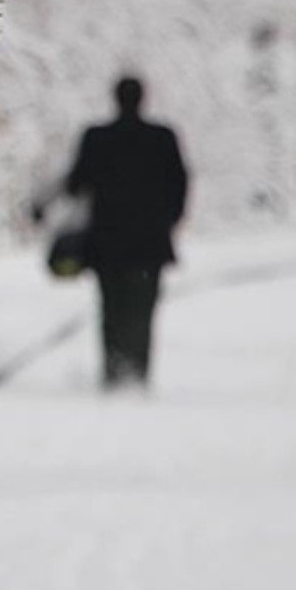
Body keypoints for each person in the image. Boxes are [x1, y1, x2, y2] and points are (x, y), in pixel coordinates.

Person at [39, 76, 189, 390]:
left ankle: (113, 370)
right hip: (150, 243)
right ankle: (138, 371)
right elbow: (179, 184)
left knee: (111, 307)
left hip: (108, 242)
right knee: (143, 309)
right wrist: (167, 222)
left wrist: (44, 206)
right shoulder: (162, 138)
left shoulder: (97, 138)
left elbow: (76, 183)